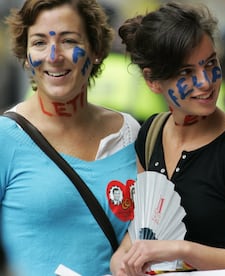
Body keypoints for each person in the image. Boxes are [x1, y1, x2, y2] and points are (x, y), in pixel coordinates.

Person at [110, 2, 225, 275]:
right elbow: (143, 229)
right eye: (186, 73)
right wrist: (121, 258)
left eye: (211, 63)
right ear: (153, 81)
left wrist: (182, 249)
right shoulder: (151, 134)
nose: (205, 81)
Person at [0, 1, 140, 275]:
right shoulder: (5, 138)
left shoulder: (129, 133)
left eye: (68, 40)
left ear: (97, 50)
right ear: (26, 56)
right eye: (39, 42)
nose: (53, 55)